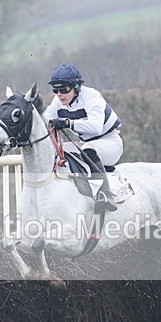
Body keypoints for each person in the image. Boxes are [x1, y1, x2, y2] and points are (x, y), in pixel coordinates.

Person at [42, 63, 122, 211]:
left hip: (109, 142)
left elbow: (95, 127)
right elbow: (45, 121)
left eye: (64, 89)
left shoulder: (91, 96)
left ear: (76, 87)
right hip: (84, 144)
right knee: (59, 153)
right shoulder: (57, 101)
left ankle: (106, 194)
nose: (59, 94)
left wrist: (67, 123)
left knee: (89, 149)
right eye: (56, 90)